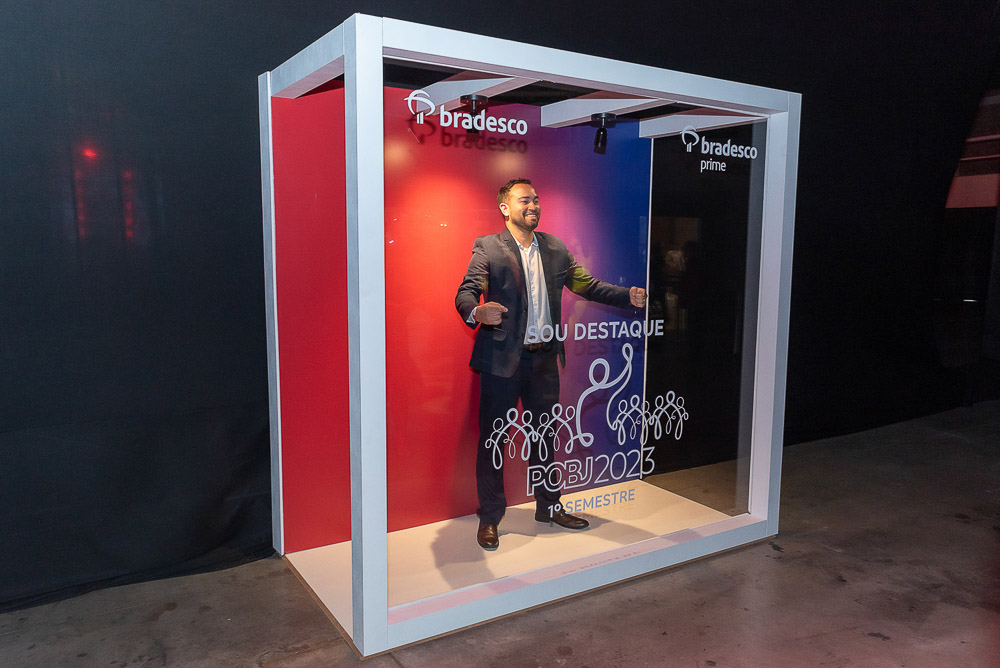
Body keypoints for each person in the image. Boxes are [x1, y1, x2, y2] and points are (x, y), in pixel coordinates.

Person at [455, 178, 647, 550]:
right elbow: (467, 290)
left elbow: (587, 285)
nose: (533, 205)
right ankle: (490, 516)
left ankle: (549, 506)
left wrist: (628, 296)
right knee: (495, 440)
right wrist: (477, 311)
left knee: (544, 437)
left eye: (536, 200)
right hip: (502, 362)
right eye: (524, 200)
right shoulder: (488, 247)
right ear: (505, 208)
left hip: (543, 360)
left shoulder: (555, 248)